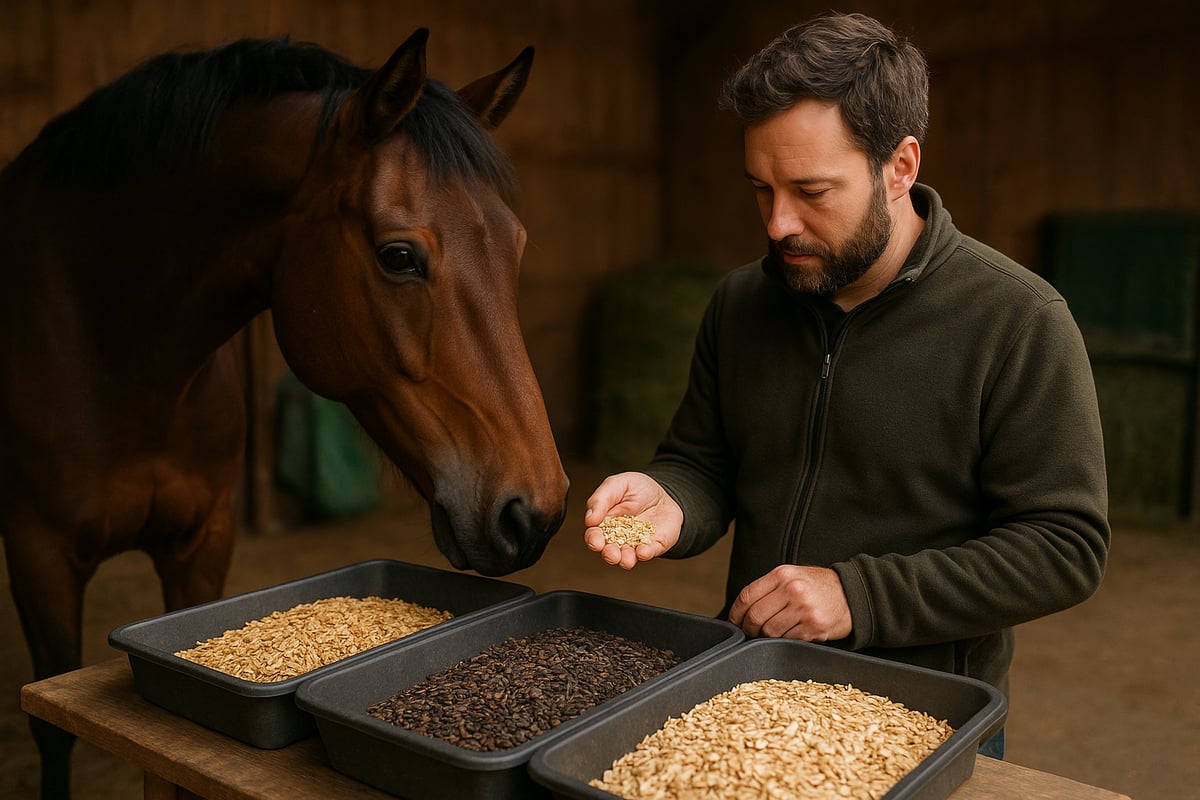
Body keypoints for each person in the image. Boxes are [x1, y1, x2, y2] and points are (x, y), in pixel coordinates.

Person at [583, 12, 1109, 760]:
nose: (777, 224)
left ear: (900, 166)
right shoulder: (740, 303)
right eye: (760, 190)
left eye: (810, 190)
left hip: (923, 718)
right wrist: (668, 501)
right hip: (750, 687)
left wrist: (855, 596)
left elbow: (1065, 546)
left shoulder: (1018, 320)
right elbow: (703, 464)